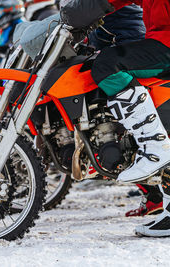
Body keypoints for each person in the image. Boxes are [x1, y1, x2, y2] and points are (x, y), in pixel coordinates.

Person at [63, 0, 170, 236]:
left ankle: (155, 147)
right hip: (161, 41)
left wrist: (77, 12)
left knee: (109, 65)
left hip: (166, 45)